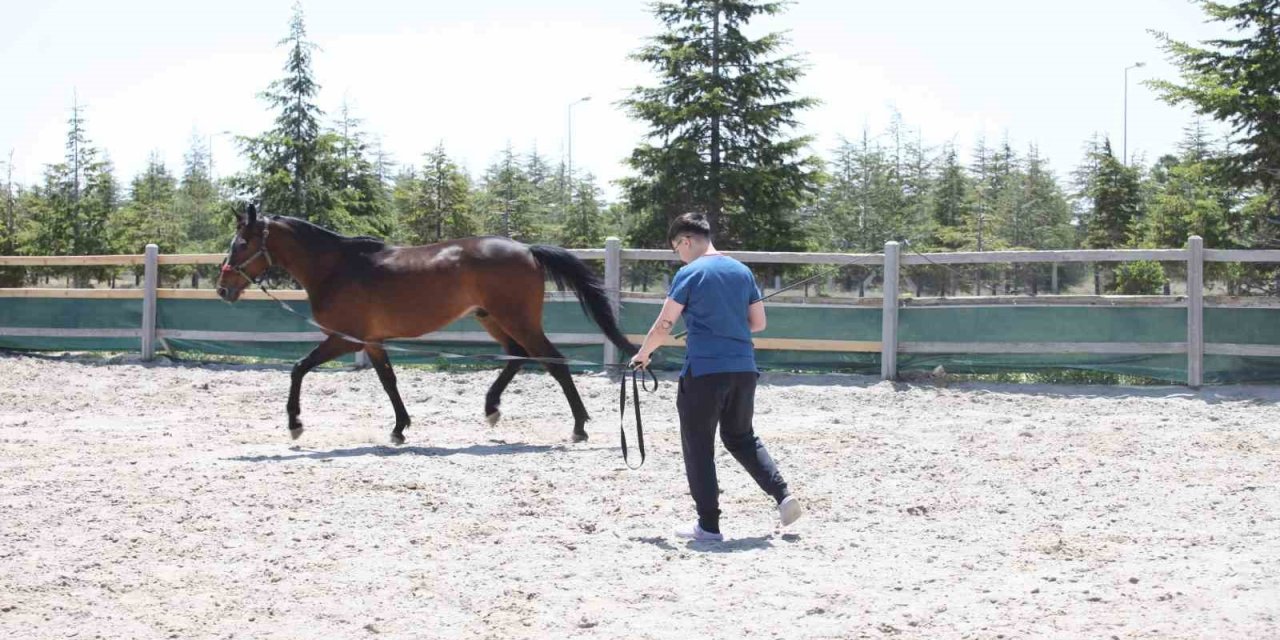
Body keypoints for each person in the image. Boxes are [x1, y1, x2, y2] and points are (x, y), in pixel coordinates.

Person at [629, 212, 803, 541]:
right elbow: (758, 323)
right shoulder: (742, 271)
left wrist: (643, 353)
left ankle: (708, 525)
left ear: (687, 240)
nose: (678, 255)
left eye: (676, 248)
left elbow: (665, 323)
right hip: (743, 369)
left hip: (705, 372)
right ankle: (783, 496)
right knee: (741, 437)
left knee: (698, 446)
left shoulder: (689, 273)